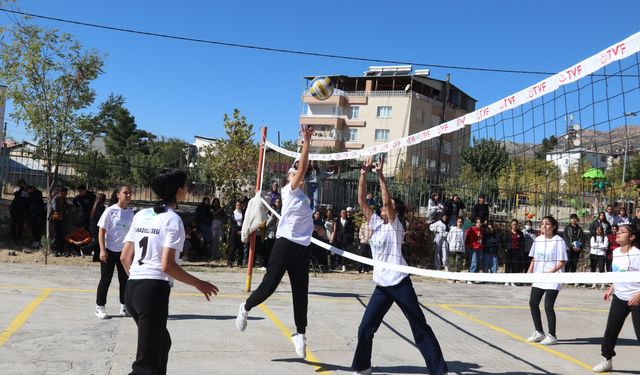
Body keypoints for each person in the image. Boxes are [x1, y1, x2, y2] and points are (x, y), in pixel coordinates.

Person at [351, 156, 447, 375]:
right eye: (385, 207)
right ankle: (363, 367)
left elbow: (385, 201)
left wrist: (381, 175)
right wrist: (364, 173)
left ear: (393, 211)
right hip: (382, 285)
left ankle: (439, 371)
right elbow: (361, 201)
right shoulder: (375, 223)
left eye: (389, 206)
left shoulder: (396, 225)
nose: (384, 208)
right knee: (365, 327)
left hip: (400, 282)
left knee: (419, 328)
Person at [120, 168, 218, 375]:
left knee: (162, 344)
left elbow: (124, 257)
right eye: (186, 186)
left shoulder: (141, 214)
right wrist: (199, 283)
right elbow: (167, 266)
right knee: (144, 365)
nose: (188, 189)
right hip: (152, 290)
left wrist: (139, 281)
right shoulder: (173, 220)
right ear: (179, 190)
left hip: (132, 288)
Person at [235, 126, 315, 360]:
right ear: (289, 180)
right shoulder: (288, 191)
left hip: (302, 248)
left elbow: (304, 171)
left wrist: (302, 145)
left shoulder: (306, 198)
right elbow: (302, 169)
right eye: (294, 174)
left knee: (301, 294)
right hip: (285, 245)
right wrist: (306, 142)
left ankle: (300, 334)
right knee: (268, 287)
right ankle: (245, 307)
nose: (297, 176)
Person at [591, 224, 640, 373]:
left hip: (636, 298)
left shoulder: (638, 254)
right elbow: (618, 273)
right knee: (610, 331)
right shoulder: (616, 252)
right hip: (619, 297)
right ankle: (606, 360)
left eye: (622, 232)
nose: (617, 233)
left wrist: (639, 295)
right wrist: (612, 288)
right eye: (617, 231)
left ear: (631, 237)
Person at [526, 216, 568, 346]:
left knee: (548, 306)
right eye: (542, 223)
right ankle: (539, 332)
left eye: (547, 223)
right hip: (539, 278)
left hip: (553, 278)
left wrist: (550, 272)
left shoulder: (558, 240)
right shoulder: (537, 240)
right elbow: (534, 259)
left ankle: (552, 335)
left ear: (554, 226)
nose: (544, 226)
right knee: (533, 303)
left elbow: (562, 261)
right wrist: (529, 272)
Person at [95, 185, 134, 319]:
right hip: (109, 250)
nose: (128, 195)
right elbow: (101, 231)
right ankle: (100, 307)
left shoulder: (130, 212)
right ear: (118, 195)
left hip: (124, 252)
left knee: (125, 280)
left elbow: (132, 233)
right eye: (125, 193)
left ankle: (124, 306)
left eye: (130, 193)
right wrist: (102, 249)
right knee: (106, 279)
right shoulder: (110, 211)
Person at [83, 193, 107, 262]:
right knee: (97, 241)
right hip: (97, 226)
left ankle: (96, 257)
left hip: (93, 225)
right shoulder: (101, 207)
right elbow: (101, 218)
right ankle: (84, 249)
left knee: (98, 242)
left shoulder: (95, 206)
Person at [333, 208, 355, 272]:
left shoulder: (349, 221)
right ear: (340, 214)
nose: (344, 214)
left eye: (345, 213)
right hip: (338, 239)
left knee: (344, 252)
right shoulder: (337, 220)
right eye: (342, 213)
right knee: (338, 252)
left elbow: (351, 231)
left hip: (346, 240)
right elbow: (335, 230)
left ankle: (344, 265)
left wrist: (350, 238)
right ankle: (339, 264)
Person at [50, 186, 70, 257]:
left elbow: (66, 207)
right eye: (65, 193)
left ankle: (61, 250)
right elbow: (55, 209)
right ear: (61, 192)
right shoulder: (55, 199)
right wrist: (62, 212)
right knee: (55, 235)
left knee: (61, 235)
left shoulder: (63, 199)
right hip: (56, 220)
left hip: (62, 219)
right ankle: (55, 250)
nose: (66, 194)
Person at [25, 185, 45, 249]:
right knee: (34, 228)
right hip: (34, 215)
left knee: (36, 229)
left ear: (31, 189)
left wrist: (28, 197)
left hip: (37, 215)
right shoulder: (34, 194)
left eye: (28, 190)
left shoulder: (36, 194)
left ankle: (36, 242)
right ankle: (36, 241)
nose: (27, 192)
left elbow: (33, 202)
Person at [10, 179, 29, 246]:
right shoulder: (16, 189)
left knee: (20, 225)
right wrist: (21, 188)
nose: (21, 185)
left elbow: (27, 199)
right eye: (20, 184)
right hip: (14, 210)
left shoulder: (26, 191)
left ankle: (19, 239)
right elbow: (16, 194)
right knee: (13, 225)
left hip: (21, 211)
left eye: (22, 184)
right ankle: (13, 239)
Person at [589, 225, 609, 289]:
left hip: (601, 254)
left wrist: (597, 245)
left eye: (600, 229)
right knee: (593, 269)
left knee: (601, 269)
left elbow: (605, 246)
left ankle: (602, 284)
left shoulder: (605, 237)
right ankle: (593, 283)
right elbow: (592, 245)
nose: (599, 231)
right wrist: (600, 245)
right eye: (597, 229)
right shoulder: (593, 237)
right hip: (593, 254)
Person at [227, 200, 244, 267]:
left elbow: (245, 222)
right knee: (232, 248)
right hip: (234, 232)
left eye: (239, 205)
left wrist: (242, 230)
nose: (238, 206)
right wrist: (236, 231)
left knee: (240, 248)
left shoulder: (243, 213)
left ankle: (239, 263)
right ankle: (230, 262)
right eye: (237, 205)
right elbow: (231, 224)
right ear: (235, 206)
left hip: (241, 230)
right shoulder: (232, 213)